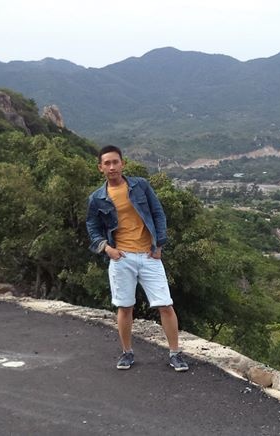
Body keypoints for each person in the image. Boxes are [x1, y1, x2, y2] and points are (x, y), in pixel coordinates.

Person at [85, 145, 189, 372]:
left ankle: (175, 353)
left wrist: (159, 244)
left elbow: (158, 213)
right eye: (107, 163)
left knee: (165, 305)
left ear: (122, 164)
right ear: (100, 167)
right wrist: (107, 249)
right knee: (125, 307)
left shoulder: (140, 185)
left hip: (149, 255)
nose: (112, 167)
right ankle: (127, 352)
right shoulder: (97, 198)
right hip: (121, 258)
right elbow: (92, 227)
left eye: (115, 162)